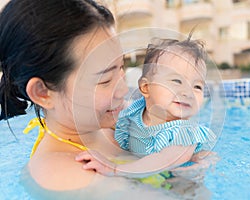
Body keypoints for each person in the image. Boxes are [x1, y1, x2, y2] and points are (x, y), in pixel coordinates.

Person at [0, 0, 215, 198]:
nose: (123, 89)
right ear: (43, 93)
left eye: (121, 68)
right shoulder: (62, 174)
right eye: (105, 79)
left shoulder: (116, 123)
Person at [76, 37, 216, 185]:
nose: (188, 92)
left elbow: (163, 160)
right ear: (146, 88)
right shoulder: (136, 109)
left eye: (197, 87)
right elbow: (110, 108)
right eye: (176, 81)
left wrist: (115, 169)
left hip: (181, 181)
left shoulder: (185, 133)